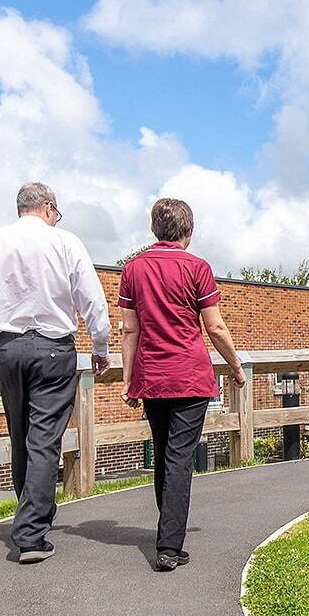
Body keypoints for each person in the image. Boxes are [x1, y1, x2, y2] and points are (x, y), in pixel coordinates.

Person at [0, 182, 111, 564]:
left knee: (22, 434)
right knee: (45, 438)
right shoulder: (66, 242)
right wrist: (100, 347)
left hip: (8, 349)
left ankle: (33, 514)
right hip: (53, 349)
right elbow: (92, 299)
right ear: (49, 208)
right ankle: (31, 535)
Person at [118, 197, 246, 572]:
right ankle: (169, 546)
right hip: (190, 376)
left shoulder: (133, 269)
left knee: (163, 454)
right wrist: (235, 366)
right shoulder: (197, 268)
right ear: (188, 231)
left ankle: (167, 532)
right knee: (178, 459)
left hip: (152, 376)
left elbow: (129, 329)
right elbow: (216, 327)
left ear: (155, 230)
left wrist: (129, 380)